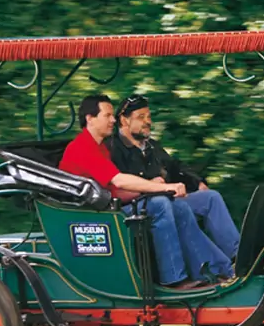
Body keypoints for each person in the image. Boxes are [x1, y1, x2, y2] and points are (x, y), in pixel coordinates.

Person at [59, 94, 234, 288]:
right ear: (90, 118)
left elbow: (115, 190)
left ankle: (216, 271)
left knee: (179, 206)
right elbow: (119, 180)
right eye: (107, 115)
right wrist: (162, 188)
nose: (113, 119)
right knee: (160, 204)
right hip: (94, 216)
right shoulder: (83, 147)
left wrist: (159, 190)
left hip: (110, 206)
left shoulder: (101, 148)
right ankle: (174, 279)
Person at [106, 94, 241, 265]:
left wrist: (197, 182)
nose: (147, 121)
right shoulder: (113, 148)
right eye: (141, 117)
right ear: (124, 121)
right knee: (177, 207)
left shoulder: (151, 146)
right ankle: (217, 268)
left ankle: (238, 257)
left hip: (169, 197)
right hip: (142, 206)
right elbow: (119, 185)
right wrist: (153, 187)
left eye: (149, 116)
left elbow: (176, 167)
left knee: (211, 198)